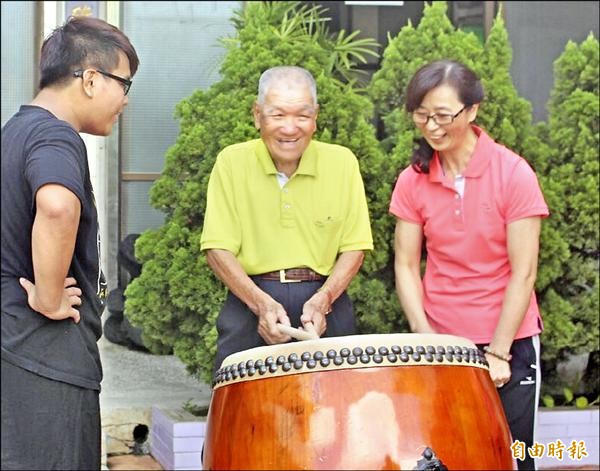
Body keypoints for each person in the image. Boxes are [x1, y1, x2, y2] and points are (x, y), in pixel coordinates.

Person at [390, 60, 548, 471]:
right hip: (444, 342)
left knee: (513, 455)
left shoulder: (514, 173)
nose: (432, 126)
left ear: (473, 110)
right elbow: (406, 264)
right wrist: (426, 339)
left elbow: (524, 271)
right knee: (445, 456)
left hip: (508, 340)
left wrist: (498, 352)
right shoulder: (413, 178)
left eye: (443, 115)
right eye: (422, 115)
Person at [1, 16, 139, 470]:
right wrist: (49, 294)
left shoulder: (14, 132)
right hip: (45, 359)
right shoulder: (55, 135)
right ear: (92, 79)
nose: (125, 101)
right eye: (125, 84)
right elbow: (58, 205)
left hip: (18, 353)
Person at [201, 65, 373, 373]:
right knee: (243, 412)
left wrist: (324, 301)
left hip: (325, 303)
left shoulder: (342, 162)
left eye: (302, 116)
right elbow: (216, 248)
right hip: (250, 300)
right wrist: (260, 304)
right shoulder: (232, 161)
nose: (290, 128)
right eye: (278, 115)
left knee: (334, 411)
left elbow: (355, 247)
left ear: (315, 118)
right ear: (257, 115)